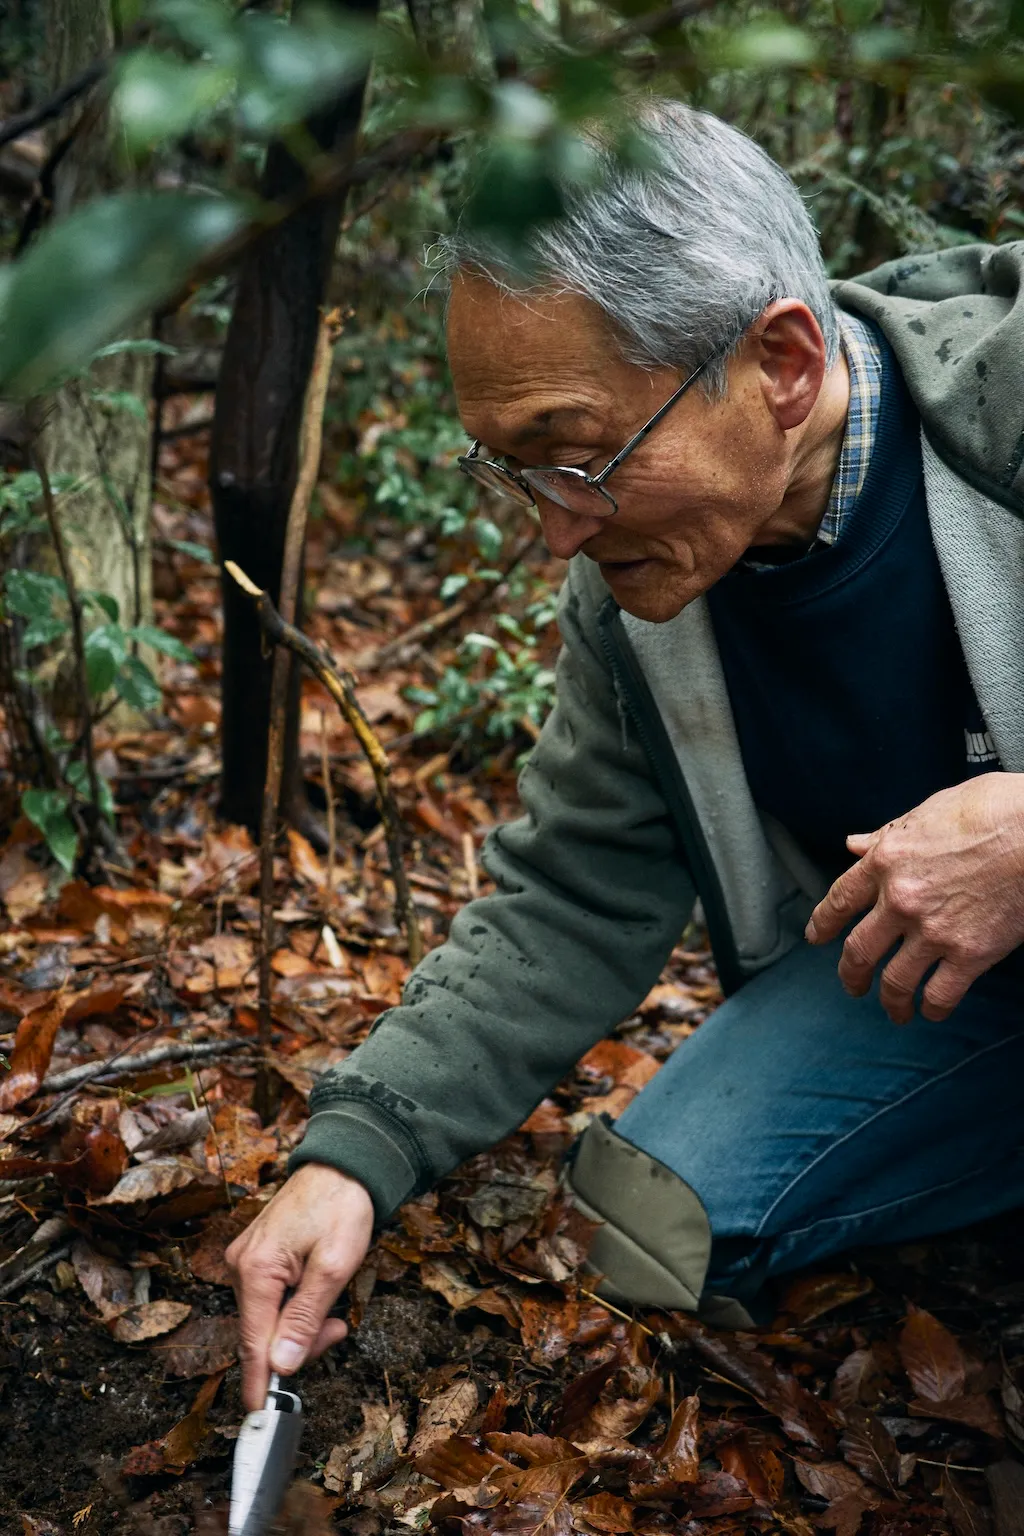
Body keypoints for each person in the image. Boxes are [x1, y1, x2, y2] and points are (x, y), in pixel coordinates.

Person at [227, 98, 1024, 1409]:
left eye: (578, 456)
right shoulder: (644, 591)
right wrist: (354, 1154)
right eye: (517, 473)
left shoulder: (1004, 410)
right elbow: (573, 894)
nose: (554, 535)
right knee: (650, 1217)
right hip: (941, 1002)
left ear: (778, 365)